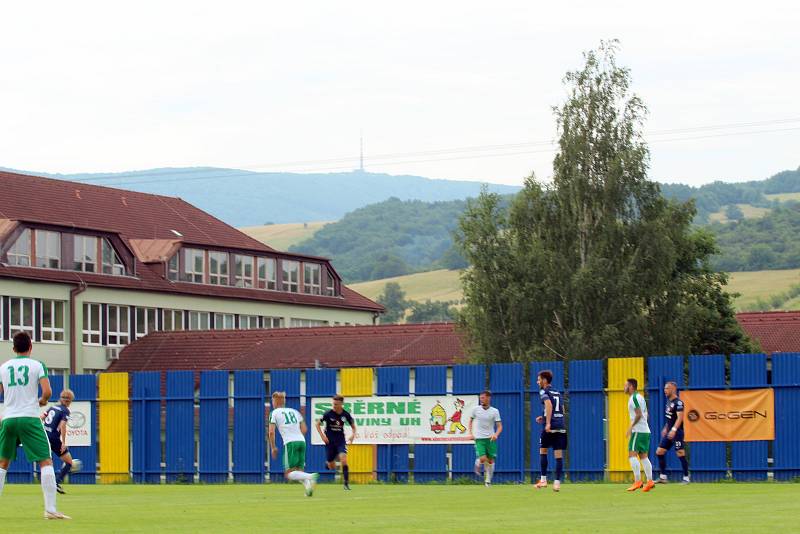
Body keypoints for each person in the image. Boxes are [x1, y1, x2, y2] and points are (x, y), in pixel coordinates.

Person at [0, 332, 70, 519]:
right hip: (30, 418)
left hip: (8, 419)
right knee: (45, 461)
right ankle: (50, 510)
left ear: (13, 348)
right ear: (30, 347)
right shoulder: (37, 365)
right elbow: (47, 391)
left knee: (2, 464)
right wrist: (41, 401)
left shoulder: (4, 367)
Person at [268, 391, 318, 496]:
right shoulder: (295, 411)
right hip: (301, 441)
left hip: (290, 443)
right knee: (299, 471)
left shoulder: (274, 413)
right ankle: (308, 489)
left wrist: (273, 447)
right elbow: (304, 429)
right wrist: (297, 437)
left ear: (275, 401)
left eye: (272, 401)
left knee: (289, 474)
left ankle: (311, 476)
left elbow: (271, 432)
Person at [534, 370, 566, 492]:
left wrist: (547, 422)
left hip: (550, 426)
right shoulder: (557, 392)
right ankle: (557, 483)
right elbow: (562, 409)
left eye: (539, 379)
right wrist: (544, 416)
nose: (537, 382)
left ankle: (543, 480)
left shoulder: (544, 391)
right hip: (560, 425)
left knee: (543, 451)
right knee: (558, 455)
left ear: (544, 380)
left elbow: (548, 405)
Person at [315, 394, 356, 490]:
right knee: (331, 466)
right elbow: (317, 424)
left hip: (340, 440)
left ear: (341, 404)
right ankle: (328, 463)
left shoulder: (346, 414)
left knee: (344, 460)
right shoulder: (328, 414)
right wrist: (322, 436)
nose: (334, 406)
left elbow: (353, 427)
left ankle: (346, 484)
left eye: (336, 404)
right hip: (330, 441)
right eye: (333, 404)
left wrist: (353, 435)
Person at [41, 389, 78, 494]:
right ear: (70, 400)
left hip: (44, 436)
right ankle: (56, 483)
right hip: (53, 438)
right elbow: (62, 426)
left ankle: (49, 484)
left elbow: (41, 418)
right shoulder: (65, 410)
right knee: (69, 462)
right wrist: (63, 442)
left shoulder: (52, 407)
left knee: (47, 462)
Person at [655, 381, 690, 484]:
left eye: (667, 388)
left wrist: (674, 430)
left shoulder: (678, 402)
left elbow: (679, 418)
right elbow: (670, 418)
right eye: (665, 388)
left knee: (680, 453)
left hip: (677, 432)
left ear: (673, 389)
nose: (665, 390)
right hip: (669, 432)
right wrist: (666, 428)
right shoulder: (669, 402)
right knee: (659, 452)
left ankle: (686, 478)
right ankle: (663, 477)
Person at [625, 378, 655, 492]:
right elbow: (646, 414)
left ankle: (637, 481)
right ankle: (650, 481)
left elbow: (638, 414)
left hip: (638, 431)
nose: (624, 388)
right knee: (644, 456)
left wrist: (631, 428)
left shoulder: (633, 398)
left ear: (631, 386)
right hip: (645, 430)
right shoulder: (641, 397)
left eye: (626, 385)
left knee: (632, 455)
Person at [468, 390, 502, 487]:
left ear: (488, 398)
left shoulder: (495, 411)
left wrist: (496, 434)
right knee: (483, 458)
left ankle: (487, 481)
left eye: (483, 398)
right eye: (480, 398)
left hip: (490, 439)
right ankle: (478, 462)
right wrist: (470, 433)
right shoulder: (475, 410)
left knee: (490, 461)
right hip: (479, 438)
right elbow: (470, 421)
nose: (481, 399)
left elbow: (499, 426)